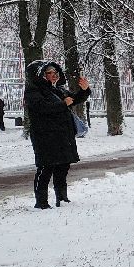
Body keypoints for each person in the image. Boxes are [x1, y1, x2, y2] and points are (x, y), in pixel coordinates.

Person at [23, 60, 90, 208]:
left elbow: (73, 99)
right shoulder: (33, 91)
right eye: (50, 73)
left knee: (62, 167)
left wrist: (84, 90)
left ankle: (62, 198)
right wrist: (63, 104)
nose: (54, 75)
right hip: (45, 136)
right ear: (40, 75)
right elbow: (42, 108)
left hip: (62, 135)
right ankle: (41, 202)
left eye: (55, 72)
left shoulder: (58, 90)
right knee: (46, 168)